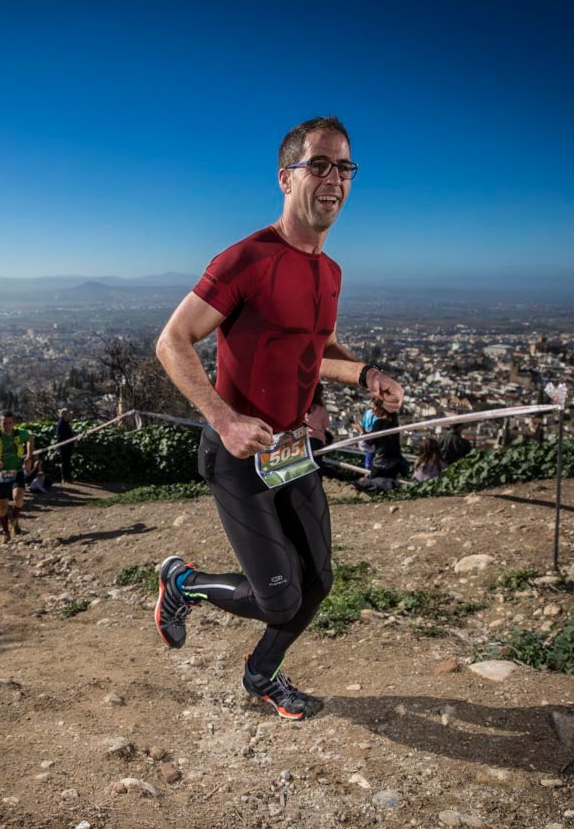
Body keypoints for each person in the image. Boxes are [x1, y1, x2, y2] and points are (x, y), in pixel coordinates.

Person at [153, 115, 405, 721]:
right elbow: (172, 341)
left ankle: (261, 675)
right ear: (286, 178)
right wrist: (226, 418)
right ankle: (181, 583)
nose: (334, 179)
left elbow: (316, 350)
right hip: (236, 453)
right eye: (319, 164)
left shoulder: (330, 270)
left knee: (317, 583)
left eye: (345, 168)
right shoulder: (246, 258)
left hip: (291, 452)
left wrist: (368, 376)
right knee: (279, 595)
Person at [0, 410, 33, 542]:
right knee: (2, 506)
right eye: (4, 423)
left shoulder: (20, 433)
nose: (7, 426)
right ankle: (5, 532)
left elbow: (31, 438)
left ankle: (14, 518)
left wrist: (29, 456)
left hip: (16, 471)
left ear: (14, 423)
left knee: (18, 498)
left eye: (10, 423)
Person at [54, 408, 75, 483]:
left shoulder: (66, 423)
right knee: (65, 462)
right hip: (64, 447)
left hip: (68, 446)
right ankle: (65, 478)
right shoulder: (61, 424)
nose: (70, 416)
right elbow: (59, 436)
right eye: (68, 415)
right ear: (64, 415)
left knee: (67, 461)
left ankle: (68, 476)